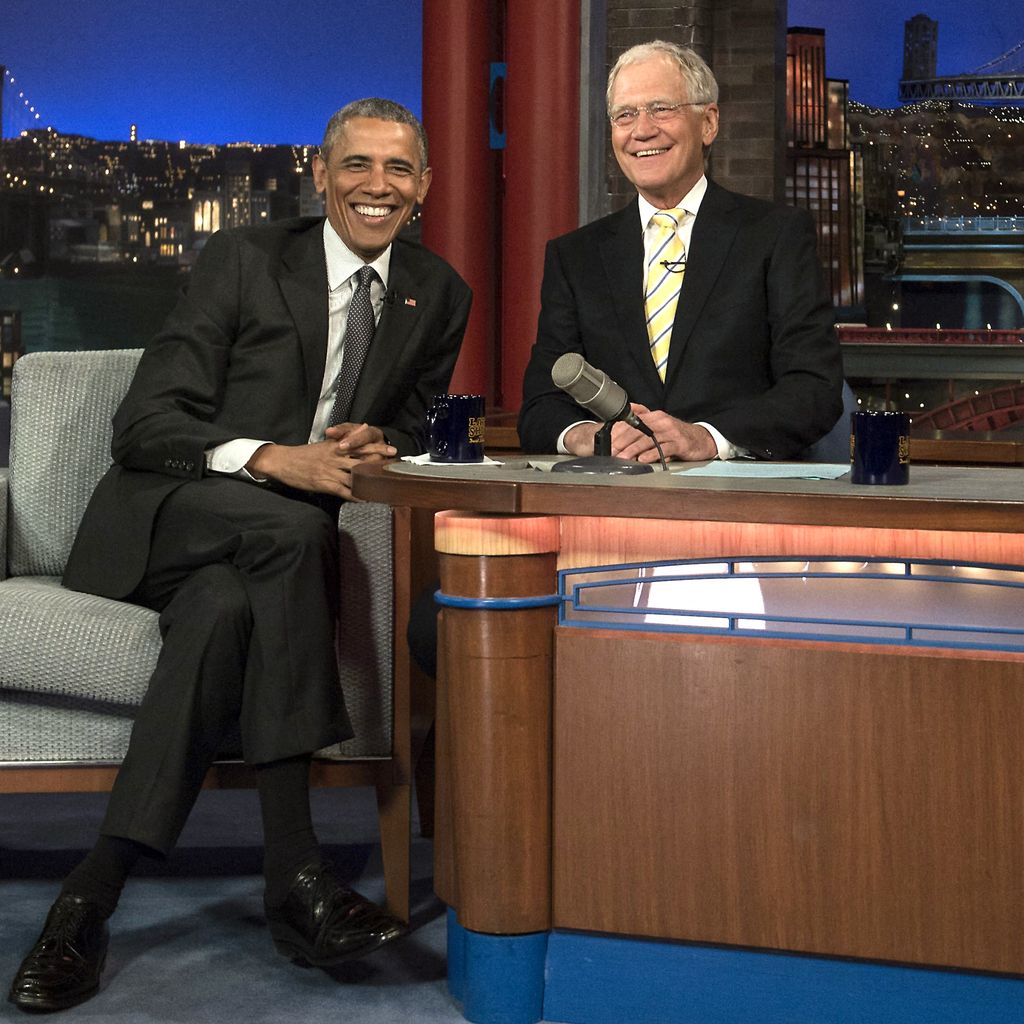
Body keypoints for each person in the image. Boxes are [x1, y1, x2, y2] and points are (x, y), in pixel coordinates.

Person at [8, 97, 471, 1014]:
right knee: (294, 529)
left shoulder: (437, 292)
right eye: (357, 166)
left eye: (400, 169)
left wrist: (380, 438)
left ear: (425, 186)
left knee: (224, 612)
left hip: (255, 564)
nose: (378, 186)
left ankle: (86, 900)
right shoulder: (247, 259)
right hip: (167, 516)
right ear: (320, 174)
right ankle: (298, 875)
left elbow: (416, 417)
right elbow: (143, 425)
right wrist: (269, 458)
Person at [517, 40, 843, 462]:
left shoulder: (774, 236)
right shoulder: (574, 257)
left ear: (708, 123)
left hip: (739, 506)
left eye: (661, 109)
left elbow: (813, 389)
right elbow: (541, 404)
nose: (642, 130)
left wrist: (707, 438)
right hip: (612, 504)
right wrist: (589, 436)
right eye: (625, 115)